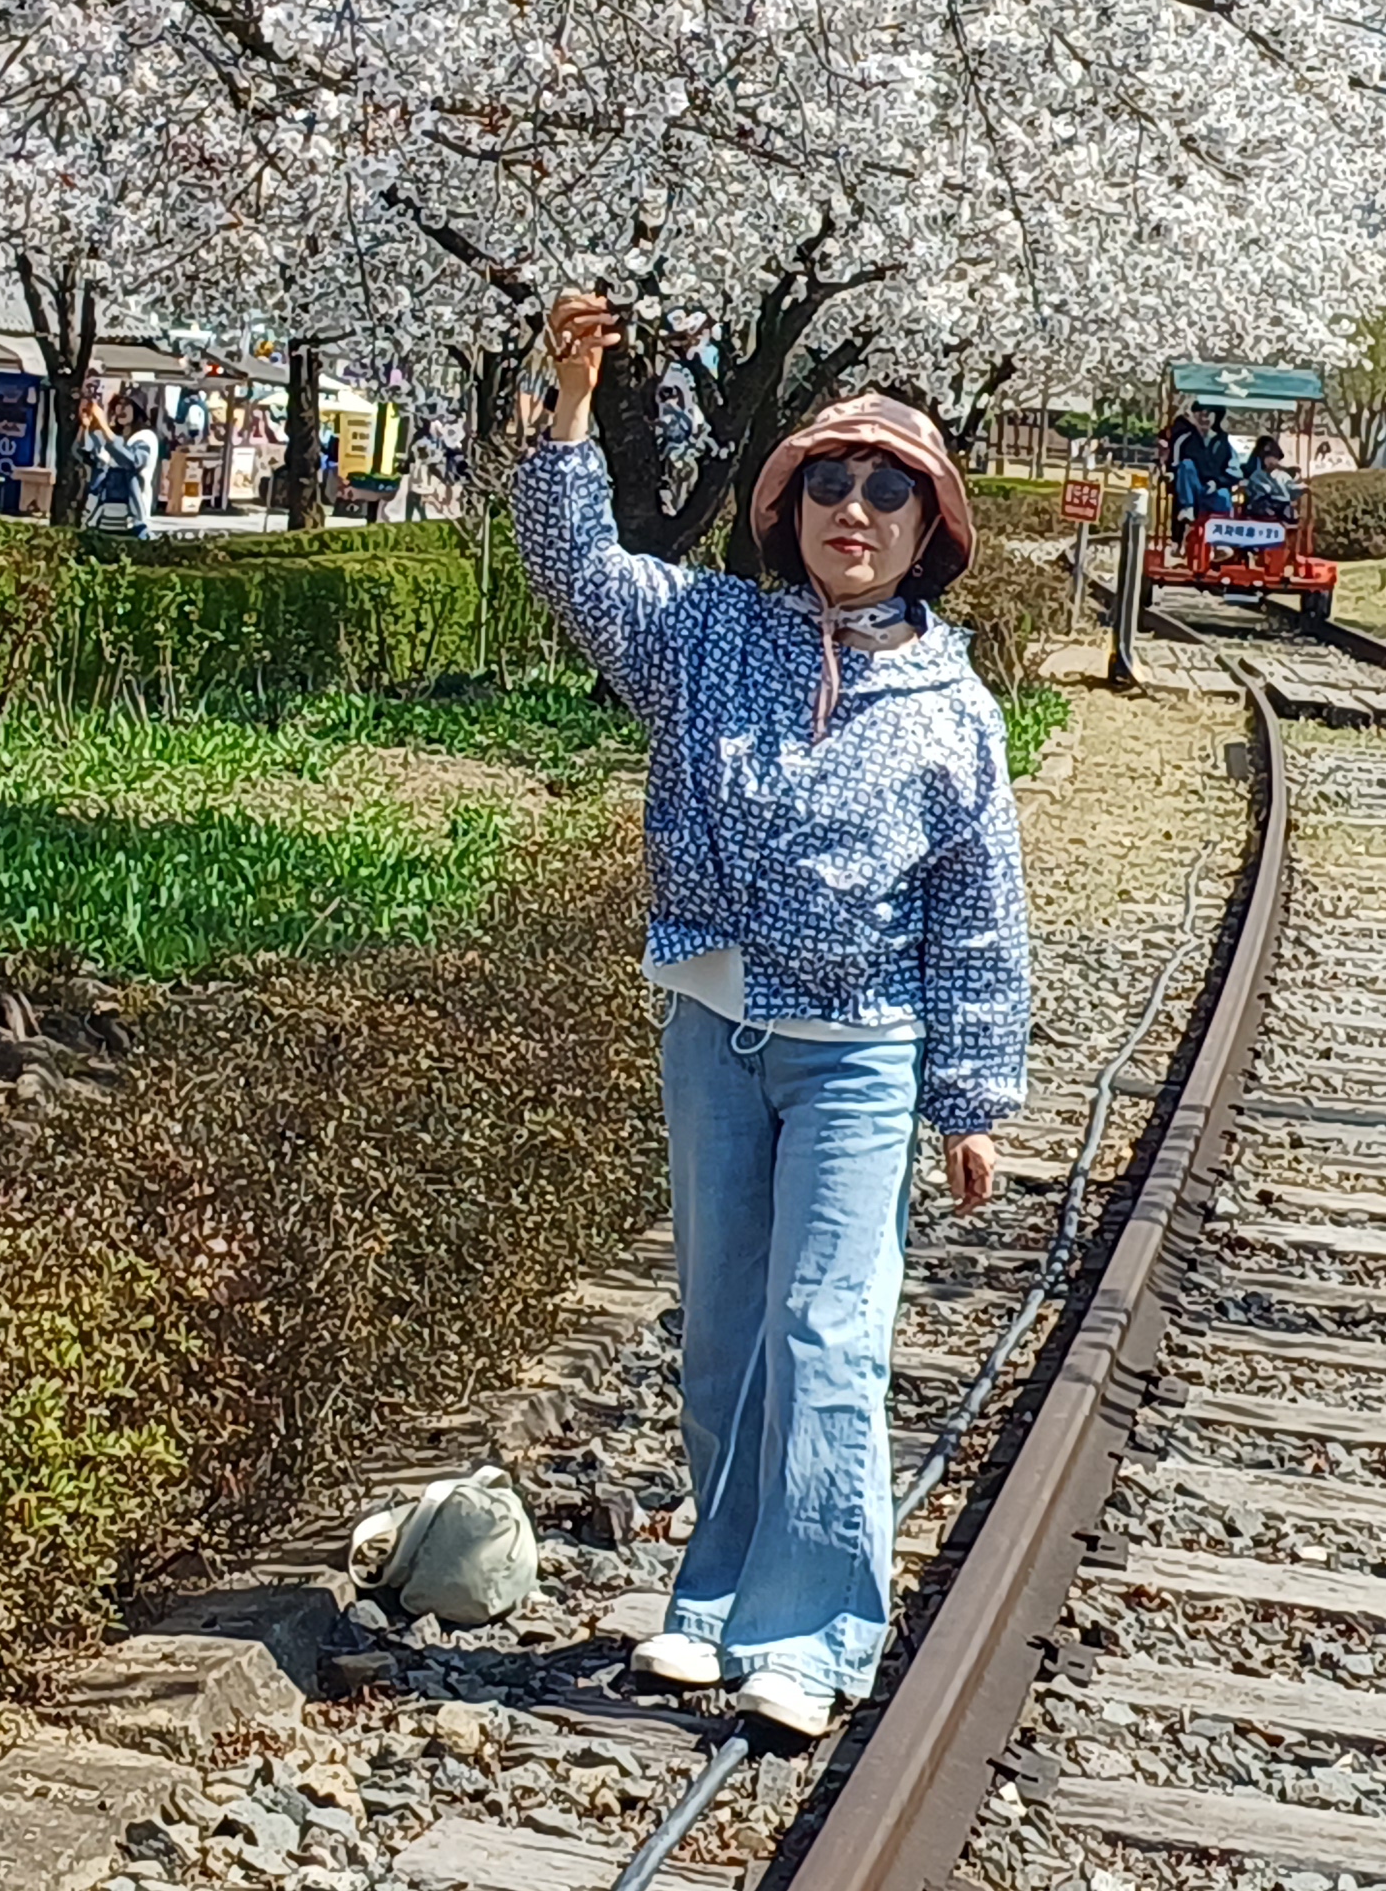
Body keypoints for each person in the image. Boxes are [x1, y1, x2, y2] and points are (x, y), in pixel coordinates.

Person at [512, 295, 1030, 1745]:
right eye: (827, 483)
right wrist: (570, 406)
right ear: (783, 507)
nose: (852, 510)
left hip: (860, 1048)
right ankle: (717, 1601)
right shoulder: (705, 636)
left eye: (886, 492)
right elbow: (573, 570)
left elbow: (978, 911)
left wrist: (973, 1100)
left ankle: (812, 1633)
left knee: (826, 1333)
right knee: (726, 1331)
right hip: (715, 1027)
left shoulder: (952, 706)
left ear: (931, 529)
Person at [82, 389, 160, 531]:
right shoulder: (112, 435)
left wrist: (104, 427)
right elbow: (88, 456)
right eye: (119, 404)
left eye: (128, 404)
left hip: (133, 518)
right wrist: (86, 426)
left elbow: (130, 462)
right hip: (103, 515)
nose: (122, 409)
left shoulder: (145, 437)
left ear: (138, 409)